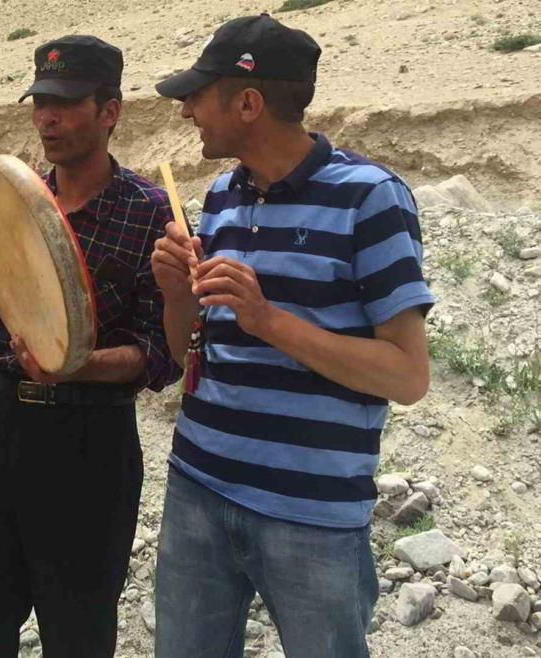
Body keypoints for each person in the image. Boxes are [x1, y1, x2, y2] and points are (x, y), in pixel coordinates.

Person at [0, 36, 180, 658]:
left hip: (90, 446)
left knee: (78, 632)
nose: (48, 118)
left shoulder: (151, 214)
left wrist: (80, 365)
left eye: (67, 104)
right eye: (41, 102)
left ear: (110, 112)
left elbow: (162, 353)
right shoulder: (15, 202)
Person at [150, 14, 434, 657]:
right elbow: (187, 355)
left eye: (198, 94)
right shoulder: (222, 194)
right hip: (197, 486)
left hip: (311, 515)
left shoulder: (372, 199)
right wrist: (174, 293)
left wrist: (268, 319)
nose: (186, 110)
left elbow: (407, 376)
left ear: (248, 102)